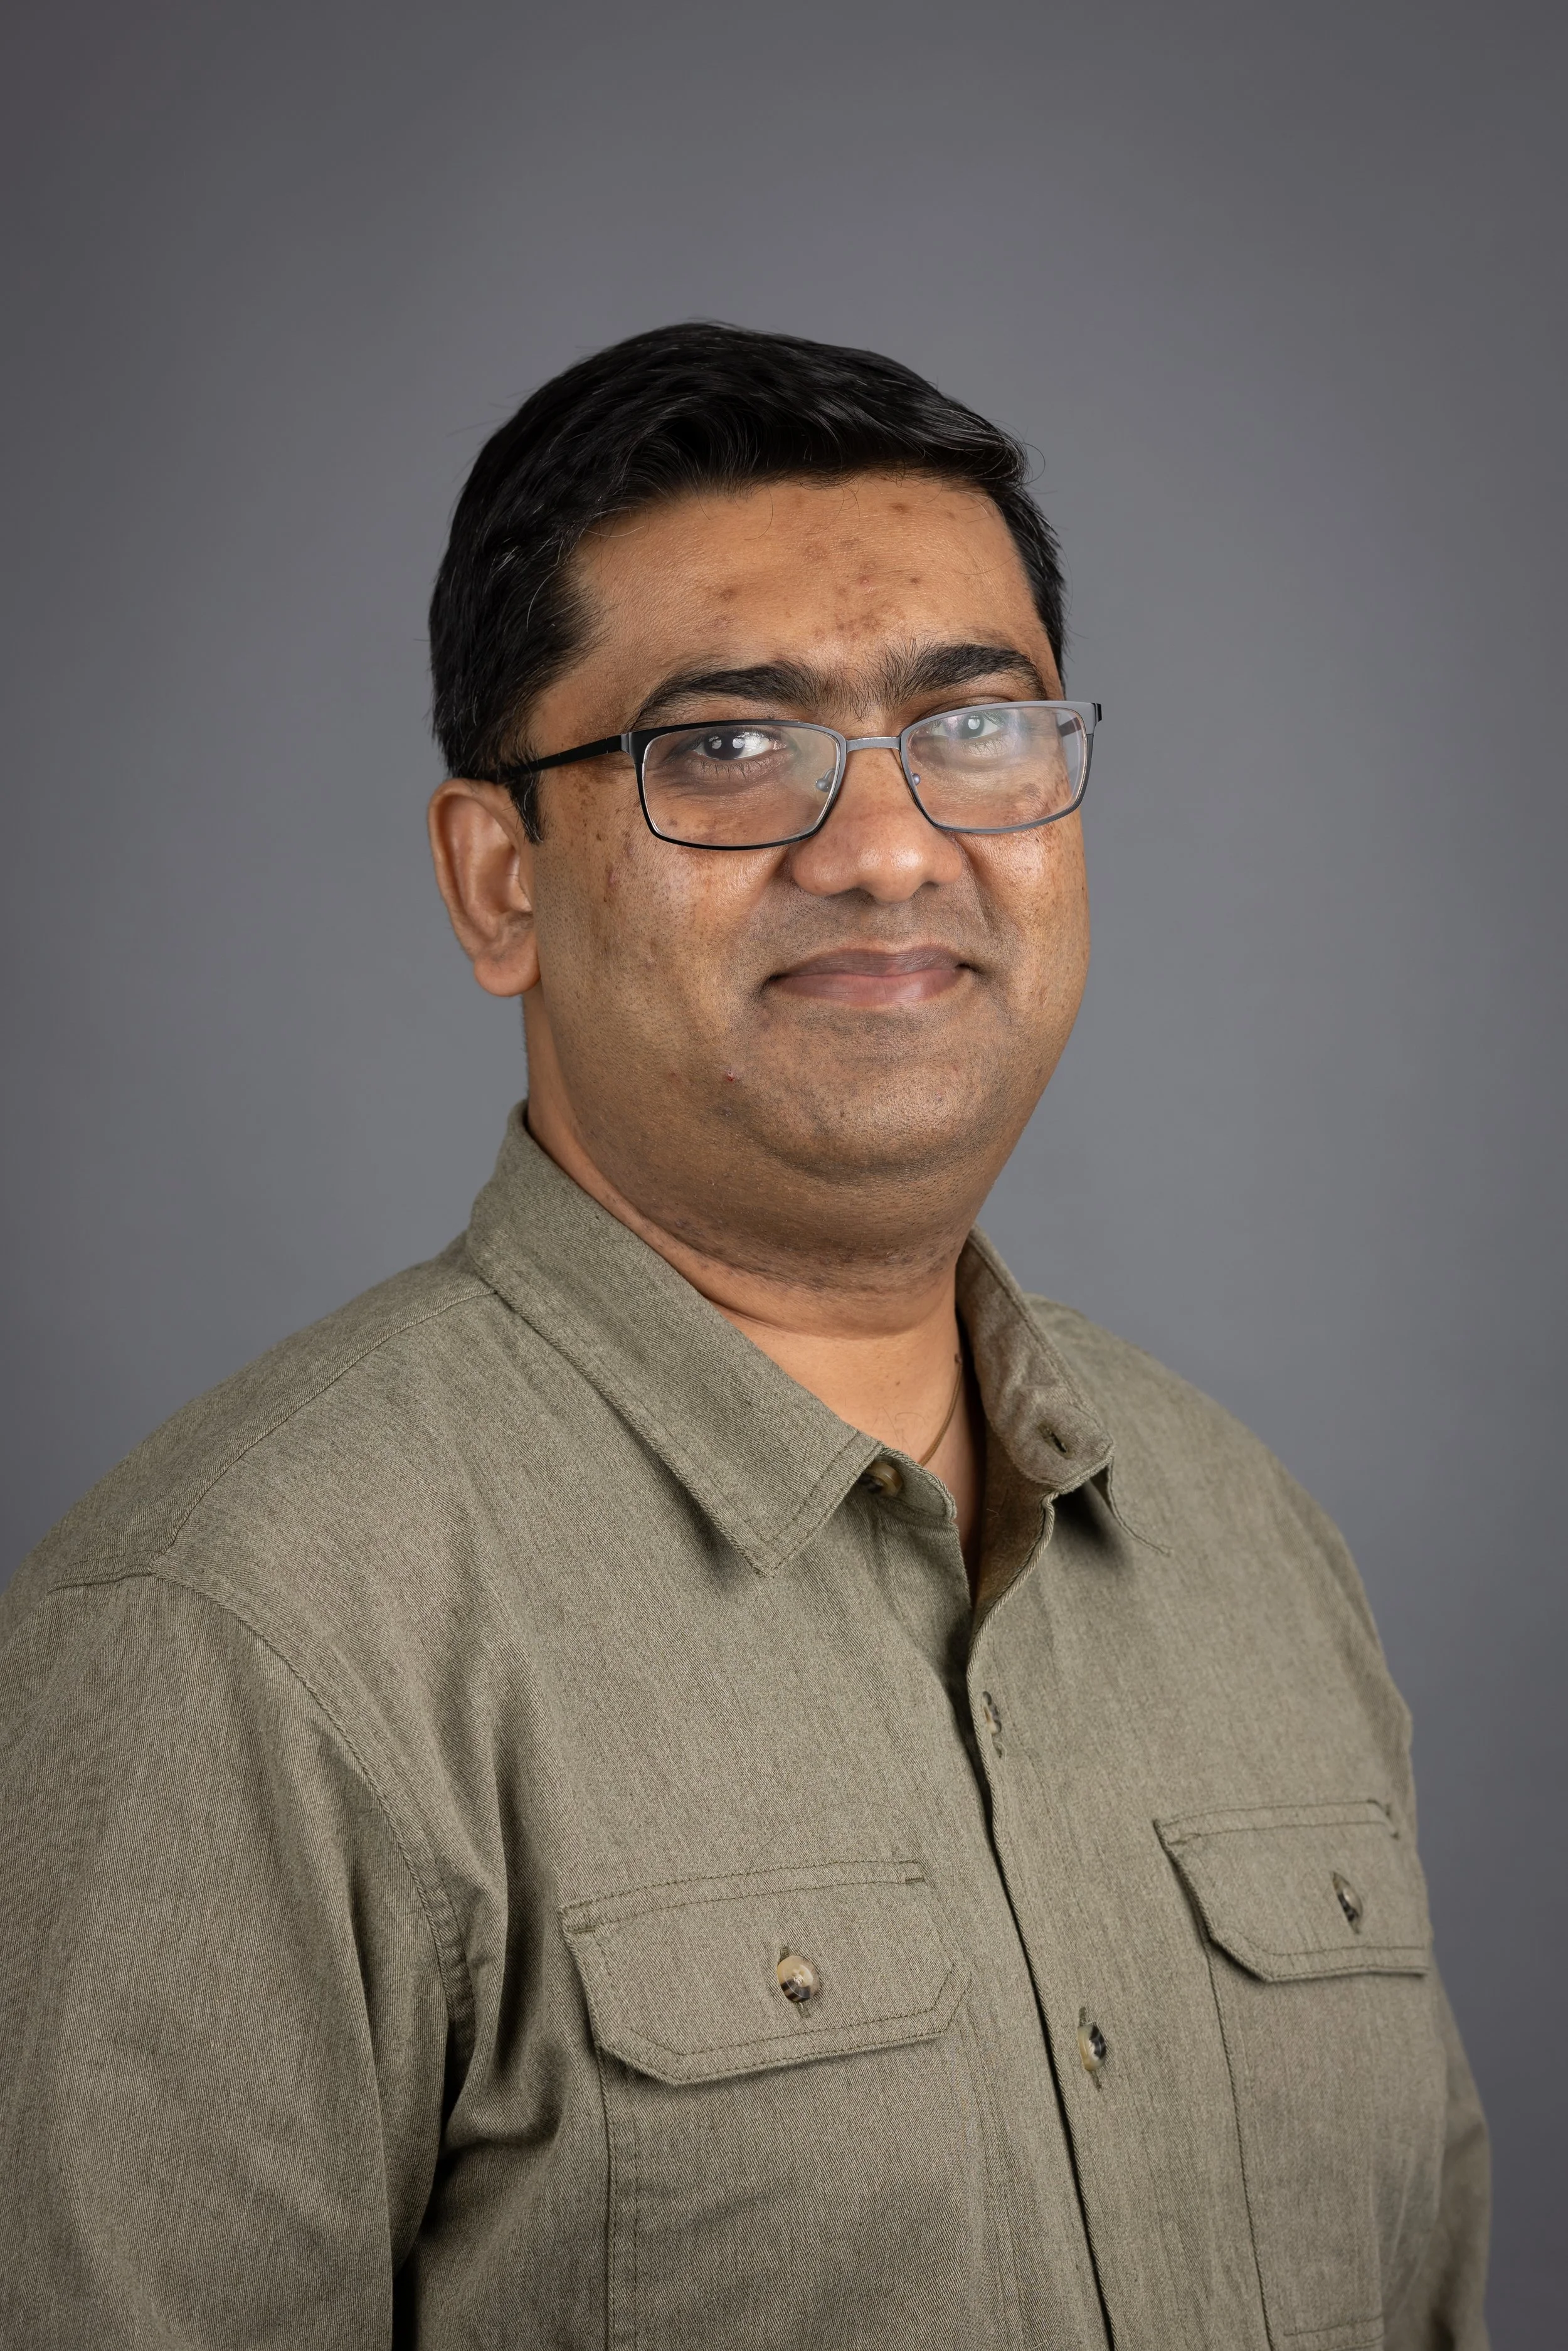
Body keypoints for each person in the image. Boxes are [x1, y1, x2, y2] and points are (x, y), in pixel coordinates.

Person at [0, 322, 1489, 2350]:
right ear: (496, 877)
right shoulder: (240, 1627)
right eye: (724, 747)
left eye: (975, 726)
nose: (887, 847)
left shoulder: (1253, 1548)